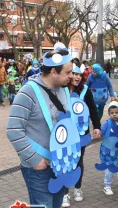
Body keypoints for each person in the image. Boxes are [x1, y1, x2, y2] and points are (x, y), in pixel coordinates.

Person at [6, 42, 74, 208]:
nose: (72, 76)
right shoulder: (27, 92)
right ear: (53, 71)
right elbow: (13, 130)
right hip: (38, 168)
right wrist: (35, 160)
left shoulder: (64, 89)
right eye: (68, 72)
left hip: (60, 164)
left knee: (56, 204)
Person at [61, 64, 101, 207]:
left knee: (77, 161)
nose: (77, 77)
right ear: (69, 74)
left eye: (80, 75)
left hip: (81, 134)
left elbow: (92, 109)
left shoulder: (85, 91)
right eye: (74, 74)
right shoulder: (61, 90)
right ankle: (65, 193)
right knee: (66, 162)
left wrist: (97, 126)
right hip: (64, 134)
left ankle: (77, 189)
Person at [100, 101, 118, 196]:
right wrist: (98, 133)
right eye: (112, 113)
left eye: (116, 112)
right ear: (109, 114)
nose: (114, 114)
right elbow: (101, 132)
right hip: (109, 151)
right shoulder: (107, 124)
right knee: (109, 169)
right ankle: (107, 186)